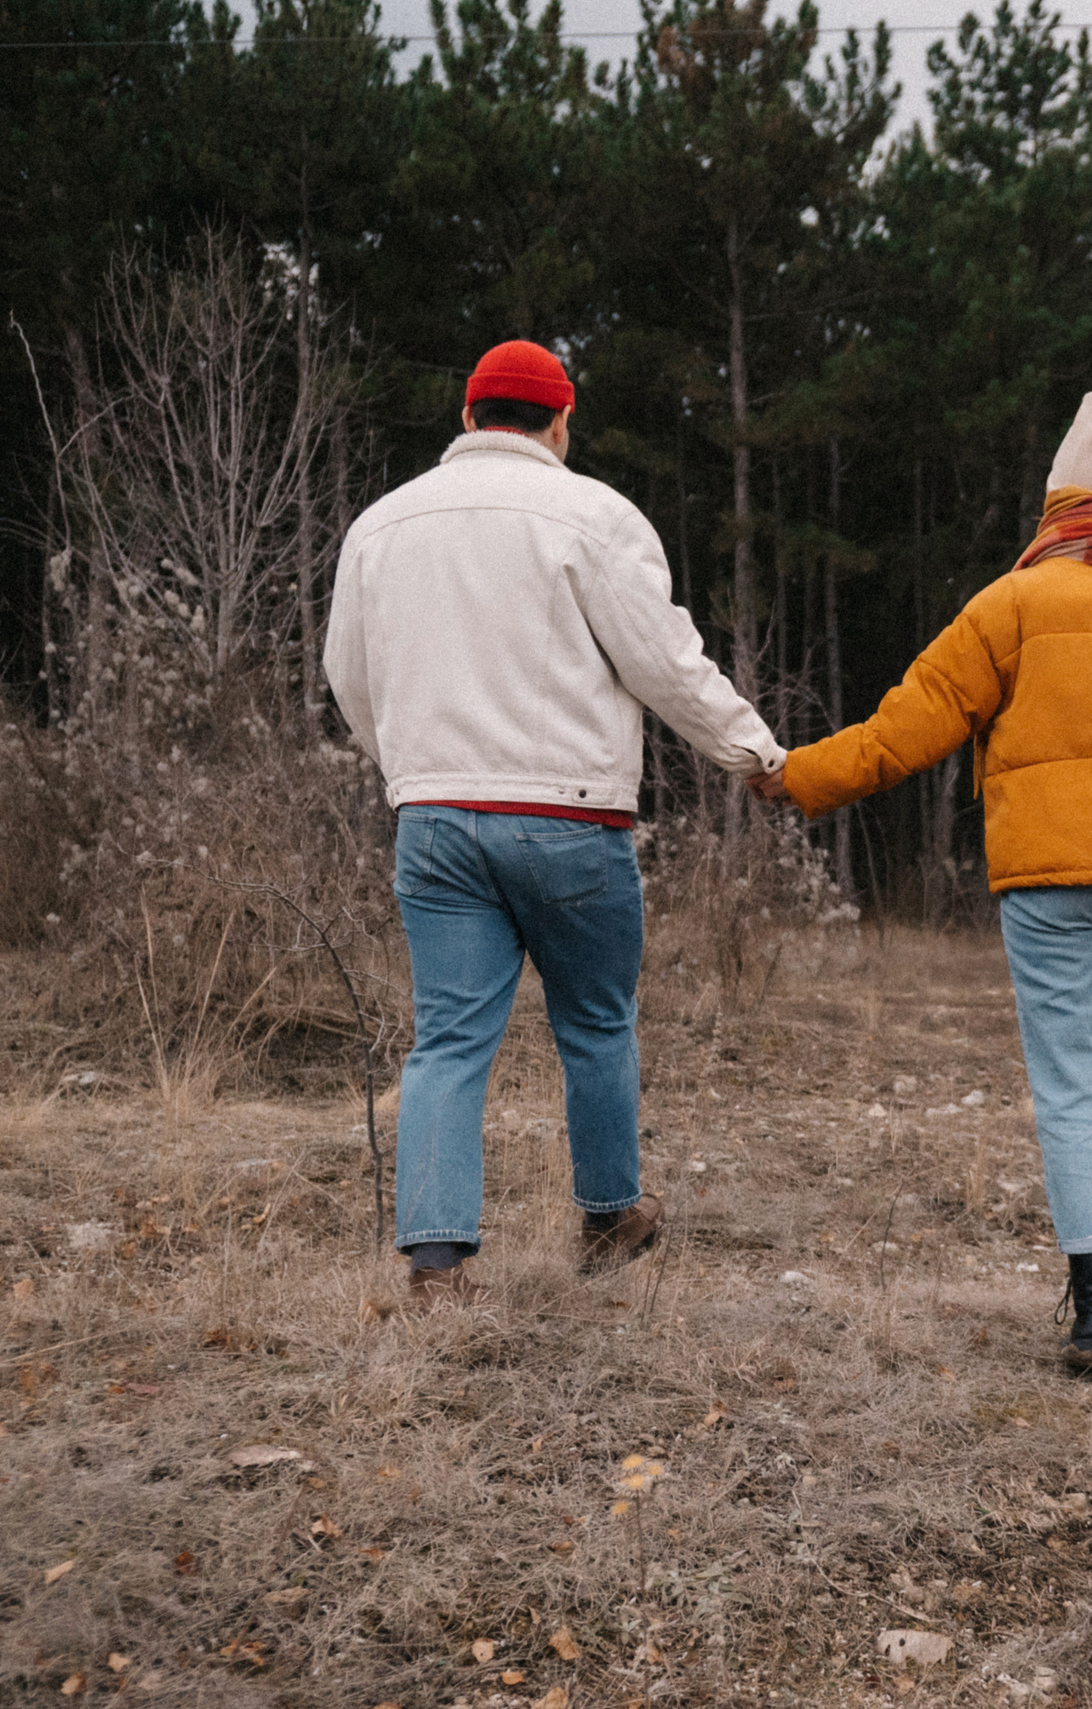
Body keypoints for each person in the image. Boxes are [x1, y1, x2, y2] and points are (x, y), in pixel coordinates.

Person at [751, 392, 1092, 1374]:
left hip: (1046, 877)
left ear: (1058, 511)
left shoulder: (1008, 604)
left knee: (1067, 1076)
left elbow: (901, 730)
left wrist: (798, 777)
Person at [325, 339, 786, 1307]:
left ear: (466, 418)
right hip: (568, 817)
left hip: (437, 817)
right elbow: (666, 663)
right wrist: (756, 755)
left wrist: (411, 772)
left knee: (449, 1040)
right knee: (596, 1021)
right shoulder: (594, 514)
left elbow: (349, 675)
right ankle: (609, 1214)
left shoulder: (381, 523)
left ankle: (437, 1263)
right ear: (562, 421)